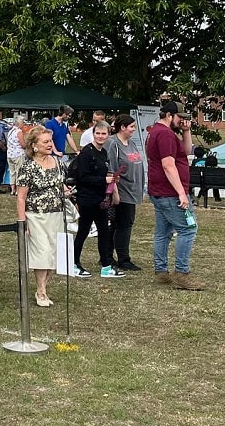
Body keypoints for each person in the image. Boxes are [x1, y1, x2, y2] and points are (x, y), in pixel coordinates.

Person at [146, 99, 203, 290]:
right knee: (188, 228)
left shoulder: (157, 132)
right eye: (180, 118)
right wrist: (181, 193)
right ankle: (182, 273)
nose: (183, 121)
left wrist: (186, 132)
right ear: (170, 116)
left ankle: (161, 271)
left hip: (159, 191)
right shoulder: (165, 135)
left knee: (163, 232)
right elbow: (168, 165)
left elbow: (185, 152)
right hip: (170, 193)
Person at [15, 125, 68, 306]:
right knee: (42, 253)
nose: (49, 144)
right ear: (34, 145)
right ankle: (41, 291)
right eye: (45, 141)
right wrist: (22, 222)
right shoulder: (27, 167)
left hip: (57, 214)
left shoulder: (59, 163)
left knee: (55, 255)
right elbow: (21, 197)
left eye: (50, 141)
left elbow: (62, 186)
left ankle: (43, 286)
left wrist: (66, 192)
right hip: (36, 216)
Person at [68, 121, 123, 278]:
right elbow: (83, 178)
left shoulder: (103, 152)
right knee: (83, 232)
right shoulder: (86, 153)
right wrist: (104, 180)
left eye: (103, 133)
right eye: (97, 133)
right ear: (93, 134)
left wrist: (111, 180)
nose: (100, 136)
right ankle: (74, 263)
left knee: (104, 232)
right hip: (87, 200)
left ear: (108, 135)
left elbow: (101, 175)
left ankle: (106, 266)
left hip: (100, 199)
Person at [107, 114, 144, 271]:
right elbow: (111, 170)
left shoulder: (131, 143)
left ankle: (110, 256)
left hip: (133, 189)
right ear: (122, 127)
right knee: (122, 224)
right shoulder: (113, 143)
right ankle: (122, 258)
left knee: (123, 223)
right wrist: (115, 193)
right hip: (121, 191)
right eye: (132, 127)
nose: (134, 130)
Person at [5, 114, 29, 196]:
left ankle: (12, 190)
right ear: (20, 123)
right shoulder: (19, 132)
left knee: (12, 172)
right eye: (23, 122)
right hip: (18, 154)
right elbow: (23, 145)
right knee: (19, 172)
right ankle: (18, 190)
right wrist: (27, 145)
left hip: (10, 154)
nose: (24, 124)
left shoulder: (10, 131)